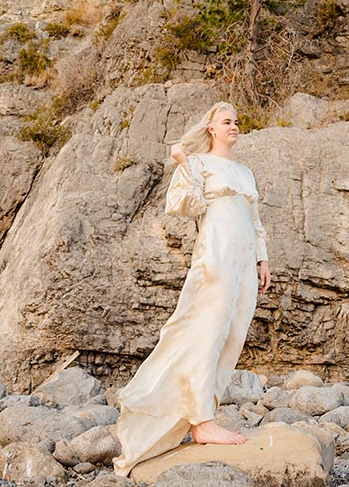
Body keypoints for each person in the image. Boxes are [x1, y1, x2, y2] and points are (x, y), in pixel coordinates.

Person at [113, 101, 272, 475]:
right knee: (207, 334)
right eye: (226, 122)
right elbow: (184, 206)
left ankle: (206, 415)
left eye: (236, 121)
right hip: (214, 257)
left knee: (232, 337)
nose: (234, 126)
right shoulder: (199, 163)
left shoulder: (245, 172)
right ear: (212, 129)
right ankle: (202, 423)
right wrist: (185, 165)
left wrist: (263, 260)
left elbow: (255, 219)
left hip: (245, 261)